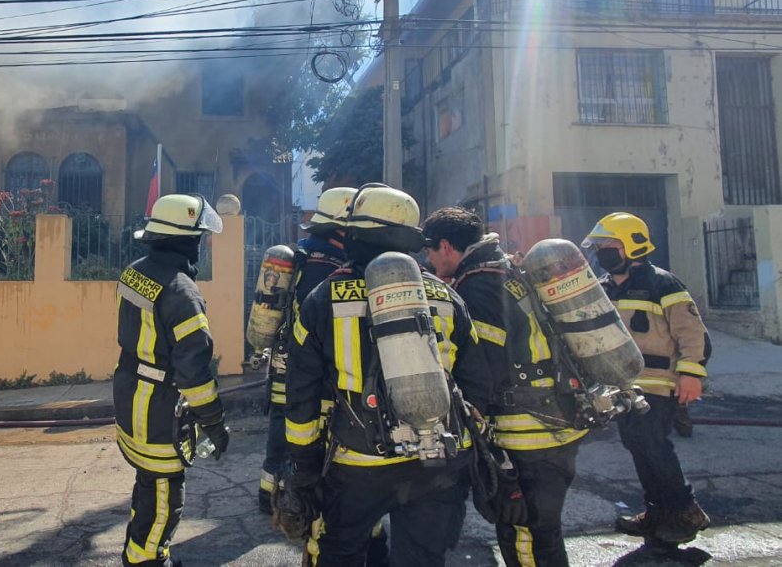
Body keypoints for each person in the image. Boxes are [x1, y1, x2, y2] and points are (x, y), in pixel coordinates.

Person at [283, 186, 492, 565]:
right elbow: (477, 384)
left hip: (357, 465)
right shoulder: (447, 296)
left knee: (340, 553)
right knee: (421, 558)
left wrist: (304, 469)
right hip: (436, 462)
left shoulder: (321, 298)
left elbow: (301, 395)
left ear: (353, 234)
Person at [422, 207, 588, 567]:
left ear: (446, 246)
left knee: (525, 532)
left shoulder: (479, 285)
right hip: (555, 418)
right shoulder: (506, 269)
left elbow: (484, 365)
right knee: (543, 530)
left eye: (430, 251)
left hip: (526, 432)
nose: (429, 259)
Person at [114, 193, 230, 567]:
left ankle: (138, 550)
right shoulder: (182, 292)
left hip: (129, 393)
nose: (202, 243)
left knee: (147, 483)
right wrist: (213, 421)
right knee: (164, 496)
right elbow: (194, 371)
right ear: (187, 239)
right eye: (199, 236)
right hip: (157, 406)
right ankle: (147, 560)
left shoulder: (135, 271)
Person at [583, 212, 711, 545]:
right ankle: (657, 512)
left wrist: (691, 374)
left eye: (607, 245)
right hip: (623, 384)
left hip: (659, 383)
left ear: (630, 246)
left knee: (654, 447)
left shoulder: (663, 283)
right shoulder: (606, 286)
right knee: (638, 446)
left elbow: (692, 334)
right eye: (598, 246)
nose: (600, 252)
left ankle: (686, 512)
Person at [258, 187, 355, 514]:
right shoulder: (328, 266)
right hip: (306, 363)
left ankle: (268, 494)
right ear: (342, 229)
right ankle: (289, 500)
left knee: (280, 426)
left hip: (285, 358)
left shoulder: (303, 254)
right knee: (301, 428)